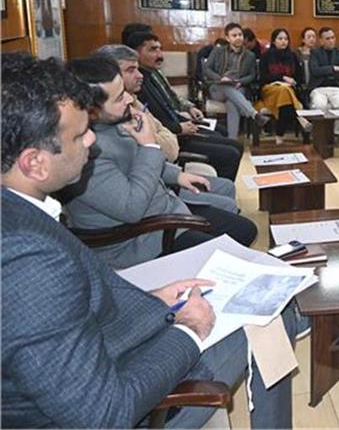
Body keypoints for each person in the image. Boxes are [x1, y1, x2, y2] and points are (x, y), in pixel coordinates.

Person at [1, 53, 294, 429]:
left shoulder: (19, 212)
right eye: (78, 135)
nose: (91, 138)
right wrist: (189, 330)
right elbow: (104, 413)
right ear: (34, 163)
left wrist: (156, 303)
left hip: (102, 348)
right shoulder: (26, 258)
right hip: (123, 401)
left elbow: (63, 325)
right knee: (271, 315)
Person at [63, 56, 257, 269]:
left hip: (165, 212)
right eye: (119, 98)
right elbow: (132, 209)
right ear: (91, 110)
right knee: (235, 250)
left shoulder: (112, 123)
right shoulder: (83, 153)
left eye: (124, 92)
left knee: (245, 229)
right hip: (141, 240)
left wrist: (177, 175)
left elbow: (136, 164)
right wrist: (150, 146)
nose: (129, 100)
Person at [94, 43, 239, 214]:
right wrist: (158, 141)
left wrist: (173, 167)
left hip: (163, 174)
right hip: (159, 199)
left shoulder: (135, 97)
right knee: (230, 161)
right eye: (131, 70)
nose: (139, 75)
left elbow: (164, 126)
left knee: (227, 180)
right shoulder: (116, 119)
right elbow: (165, 151)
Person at [129, 31, 244, 181]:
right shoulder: (137, 86)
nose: (160, 55)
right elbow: (155, 123)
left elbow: (169, 106)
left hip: (177, 128)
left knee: (233, 143)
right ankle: (216, 189)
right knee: (231, 153)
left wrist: (188, 115)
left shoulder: (152, 75)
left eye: (160, 49)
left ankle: (221, 188)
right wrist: (180, 127)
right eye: (153, 50)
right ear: (136, 54)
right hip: (172, 138)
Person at [204, 22, 268, 140]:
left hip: (238, 87)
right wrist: (220, 78)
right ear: (227, 38)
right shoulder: (218, 51)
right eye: (234, 35)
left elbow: (252, 75)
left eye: (240, 35)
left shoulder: (250, 55)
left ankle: (232, 139)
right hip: (218, 88)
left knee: (232, 103)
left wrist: (241, 82)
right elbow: (207, 69)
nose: (238, 38)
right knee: (226, 86)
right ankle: (254, 114)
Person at [257, 28, 311, 144]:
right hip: (269, 89)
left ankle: (279, 135)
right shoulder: (266, 56)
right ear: (274, 41)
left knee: (284, 91)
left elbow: (299, 77)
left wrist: (293, 81)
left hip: (287, 90)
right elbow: (264, 77)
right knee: (284, 90)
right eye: (280, 39)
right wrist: (282, 78)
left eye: (286, 39)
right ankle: (298, 116)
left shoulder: (292, 56)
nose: (283, 41)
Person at [308, 27, 339, 135]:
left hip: (336, 87)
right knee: (319, 106)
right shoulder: (315, 53)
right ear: (321, 40)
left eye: (333, 38)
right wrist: (332, 69)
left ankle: (336, 132)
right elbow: (315, 71)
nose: (331, 41)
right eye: (327, 38)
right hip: (318, 88)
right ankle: (320, 133)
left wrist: (325, 71)